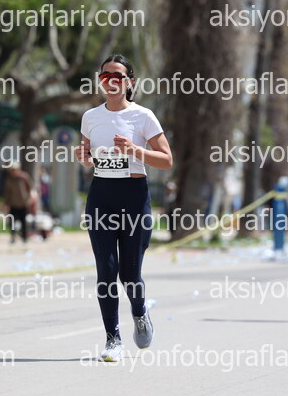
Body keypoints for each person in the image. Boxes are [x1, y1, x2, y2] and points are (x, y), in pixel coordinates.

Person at [75, 54, 173, 362]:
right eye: (105, 76)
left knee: (130, 274)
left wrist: (134, 150)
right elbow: (88, 157)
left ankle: (140, 312)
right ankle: (112, 339)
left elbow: (166, 160)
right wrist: (84, 159)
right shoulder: (90, 117)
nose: (111, 81)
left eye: (118, 76)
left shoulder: (143, 116)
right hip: (101, 197)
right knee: (106, 271)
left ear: (129, 82)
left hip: (133, 198)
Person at [3, 161, 34, 243]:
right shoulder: (9, 179)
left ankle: (24, 237)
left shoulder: (24, 177)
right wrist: (6, 203)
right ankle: (13, 237)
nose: (13, 171)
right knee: (12, 222)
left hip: (23, 203)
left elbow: (30, 188)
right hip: (13, 204)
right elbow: (7, 192)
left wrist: (30, 199)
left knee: (23, 222)